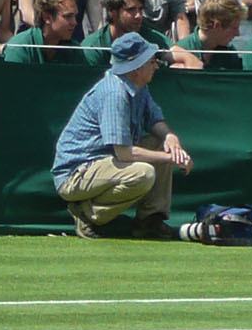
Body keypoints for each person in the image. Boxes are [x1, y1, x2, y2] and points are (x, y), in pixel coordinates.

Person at [52, 32, 192, 240]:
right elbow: (125, 153)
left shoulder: (138, 86)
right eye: (152, 61)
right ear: (136, 68)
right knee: (143, 173)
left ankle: (150, 221)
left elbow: (154, 120)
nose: (156, 65)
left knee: (160, 144)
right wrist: (172, 158)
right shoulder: (114, 93)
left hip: (104, 165)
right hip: (76, 174)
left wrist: (171, 138)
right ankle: (88, 215)